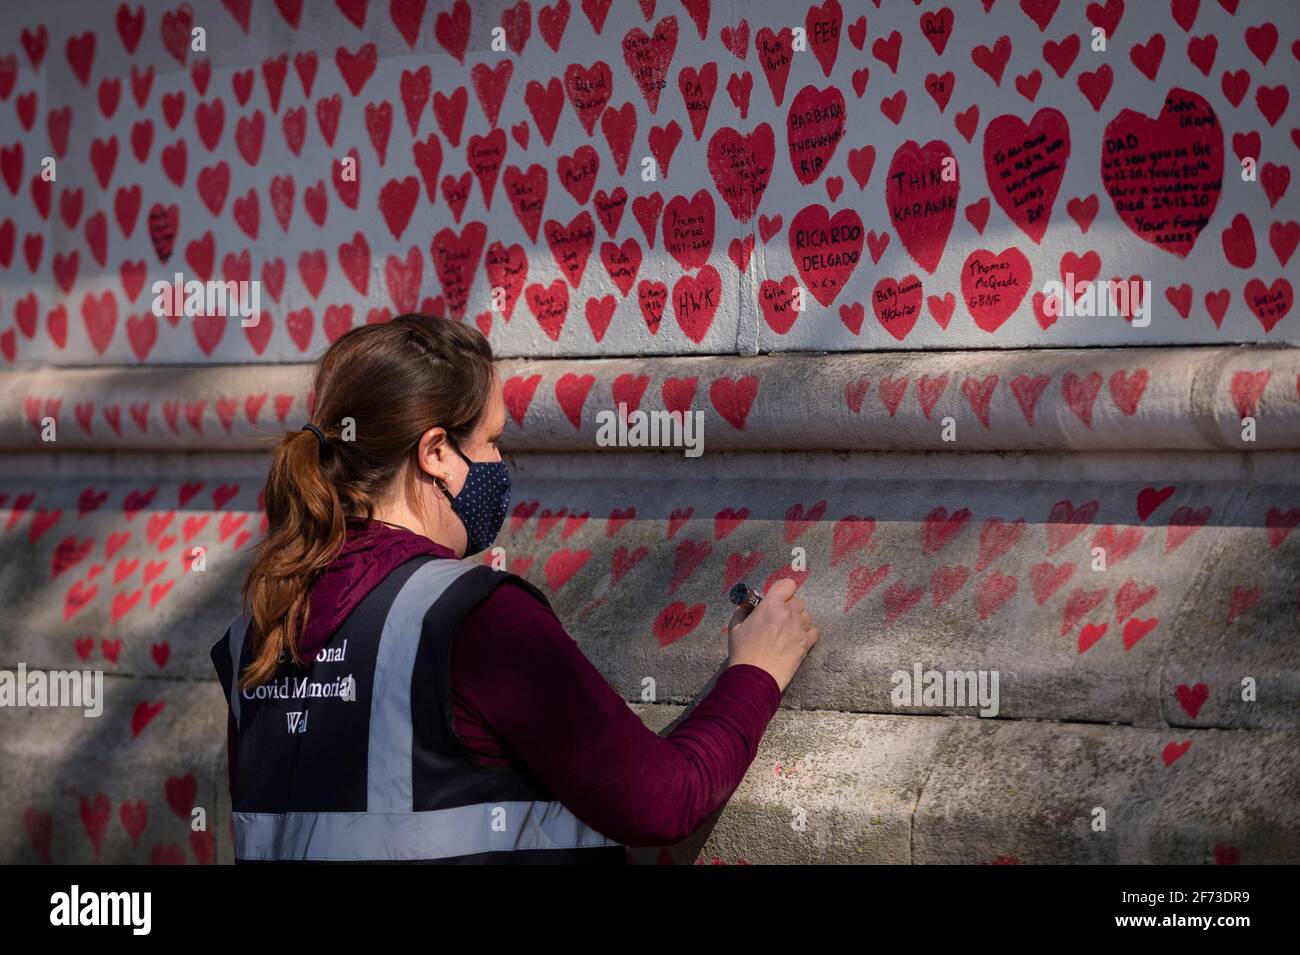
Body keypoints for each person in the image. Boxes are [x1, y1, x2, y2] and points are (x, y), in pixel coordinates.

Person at [210, 313, 820, 864]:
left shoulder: (260, 626)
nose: (502, 465)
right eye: (494, 440)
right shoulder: (475, 617)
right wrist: (755, 671)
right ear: (437, 453)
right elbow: (662, 802)